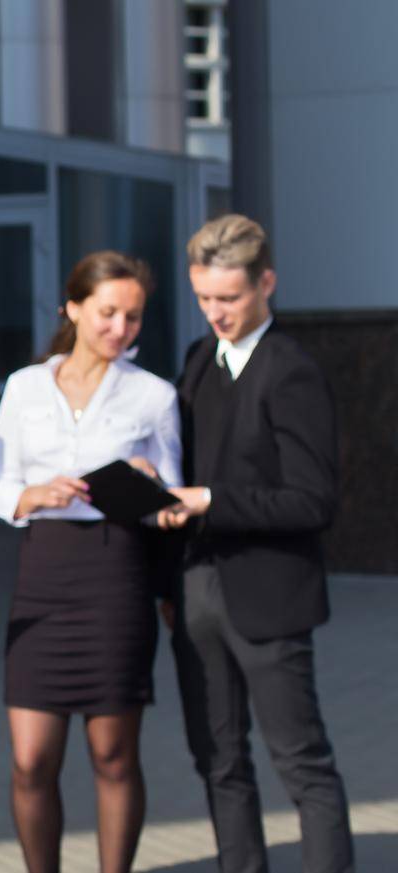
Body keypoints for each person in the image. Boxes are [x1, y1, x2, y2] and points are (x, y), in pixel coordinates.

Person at [158, 215, 353, 873]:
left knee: (301, 762)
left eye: (230, 298)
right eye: (204, 297)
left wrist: (212, 500)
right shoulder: (195, 360)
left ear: (266, 282)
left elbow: (313, 499)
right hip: (195, 591)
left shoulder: (291, 370)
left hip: (268, 595)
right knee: (218, 759)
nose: (216, 312)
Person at [0, 251, 182, 873]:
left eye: (132, 316)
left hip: (116, 572)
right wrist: (32, 495)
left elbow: (172, 504)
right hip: (43, 570)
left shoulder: (154, 396)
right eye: (107, 312)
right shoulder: (23, 386)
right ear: (73, 308)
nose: (120, 327)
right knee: (29, 761)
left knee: (114, 757)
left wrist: (152, 484)